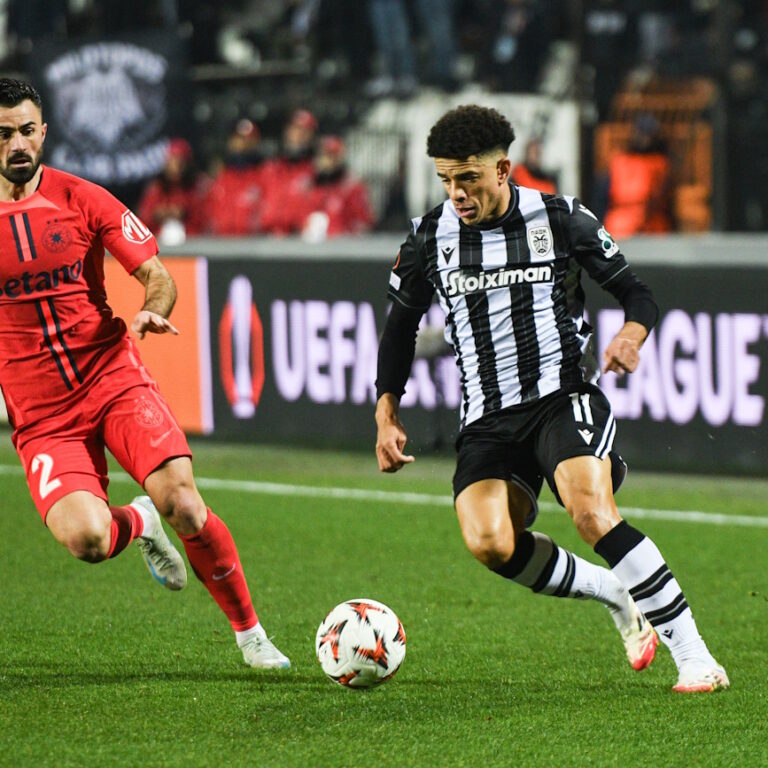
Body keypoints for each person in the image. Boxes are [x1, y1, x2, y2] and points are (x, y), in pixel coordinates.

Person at [374, 104, 727, 693]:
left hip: (562, 396)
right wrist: (386, 412)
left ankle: (696, 658)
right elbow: (399, 329)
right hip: (487, 417)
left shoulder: (561, 218)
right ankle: (614, 592)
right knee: (490, 543)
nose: (457, 193)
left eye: (468, 178)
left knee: (590, 511)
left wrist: (631, 334)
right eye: (446, 179)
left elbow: (637, 294)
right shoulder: (428, 236)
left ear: (502, 169)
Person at [0, 78, 289, 670]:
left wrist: (154, 308)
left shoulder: (84, 198)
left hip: (111, 376)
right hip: (41, 411)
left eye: (27, 131)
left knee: (184, 501)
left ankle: (251, 634)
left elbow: (157, 274)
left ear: (44, 132)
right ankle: (138, 522)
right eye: (4, 134)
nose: (17, 145)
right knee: (87, 540)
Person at [599, 113, 673, 238]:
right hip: (620, 226)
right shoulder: (620, 162)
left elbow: (664, 200)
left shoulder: (660, 164)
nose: (644, 139)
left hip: (651, 229)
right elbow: (602, 197)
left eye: (648, 136)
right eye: (641, 134)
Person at [299, 135, 374, 240]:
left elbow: (363, 222)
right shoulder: (309, 187)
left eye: (331, 156)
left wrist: (346, 235)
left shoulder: (352, 188)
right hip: (309, 244)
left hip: (340, 245)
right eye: (322, 155)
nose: (325, 160)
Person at [137, 137, 208, 244]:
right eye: (172, 161)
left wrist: (184, 213)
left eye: (179, 161)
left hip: (192, 243)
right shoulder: (156, 188)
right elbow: (143, 220)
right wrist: (158, 215)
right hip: (159, 244)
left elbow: (204, 221)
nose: (175, 167)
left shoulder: (197, 187)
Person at [259, 108, 318, 235]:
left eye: (305, 130)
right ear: (287, 131)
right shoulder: (270, 168)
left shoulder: (317, 170)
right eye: (295, 129)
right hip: (268, 236)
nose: (299, 134)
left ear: (312, 135)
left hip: (302, 237)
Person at [205, 118, 267, 236]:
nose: (243, 144)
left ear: (256, 143)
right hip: (220, 241)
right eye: (239, 138)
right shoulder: (220, 177)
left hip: (254, 242)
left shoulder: (266, 175)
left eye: (249, 139)